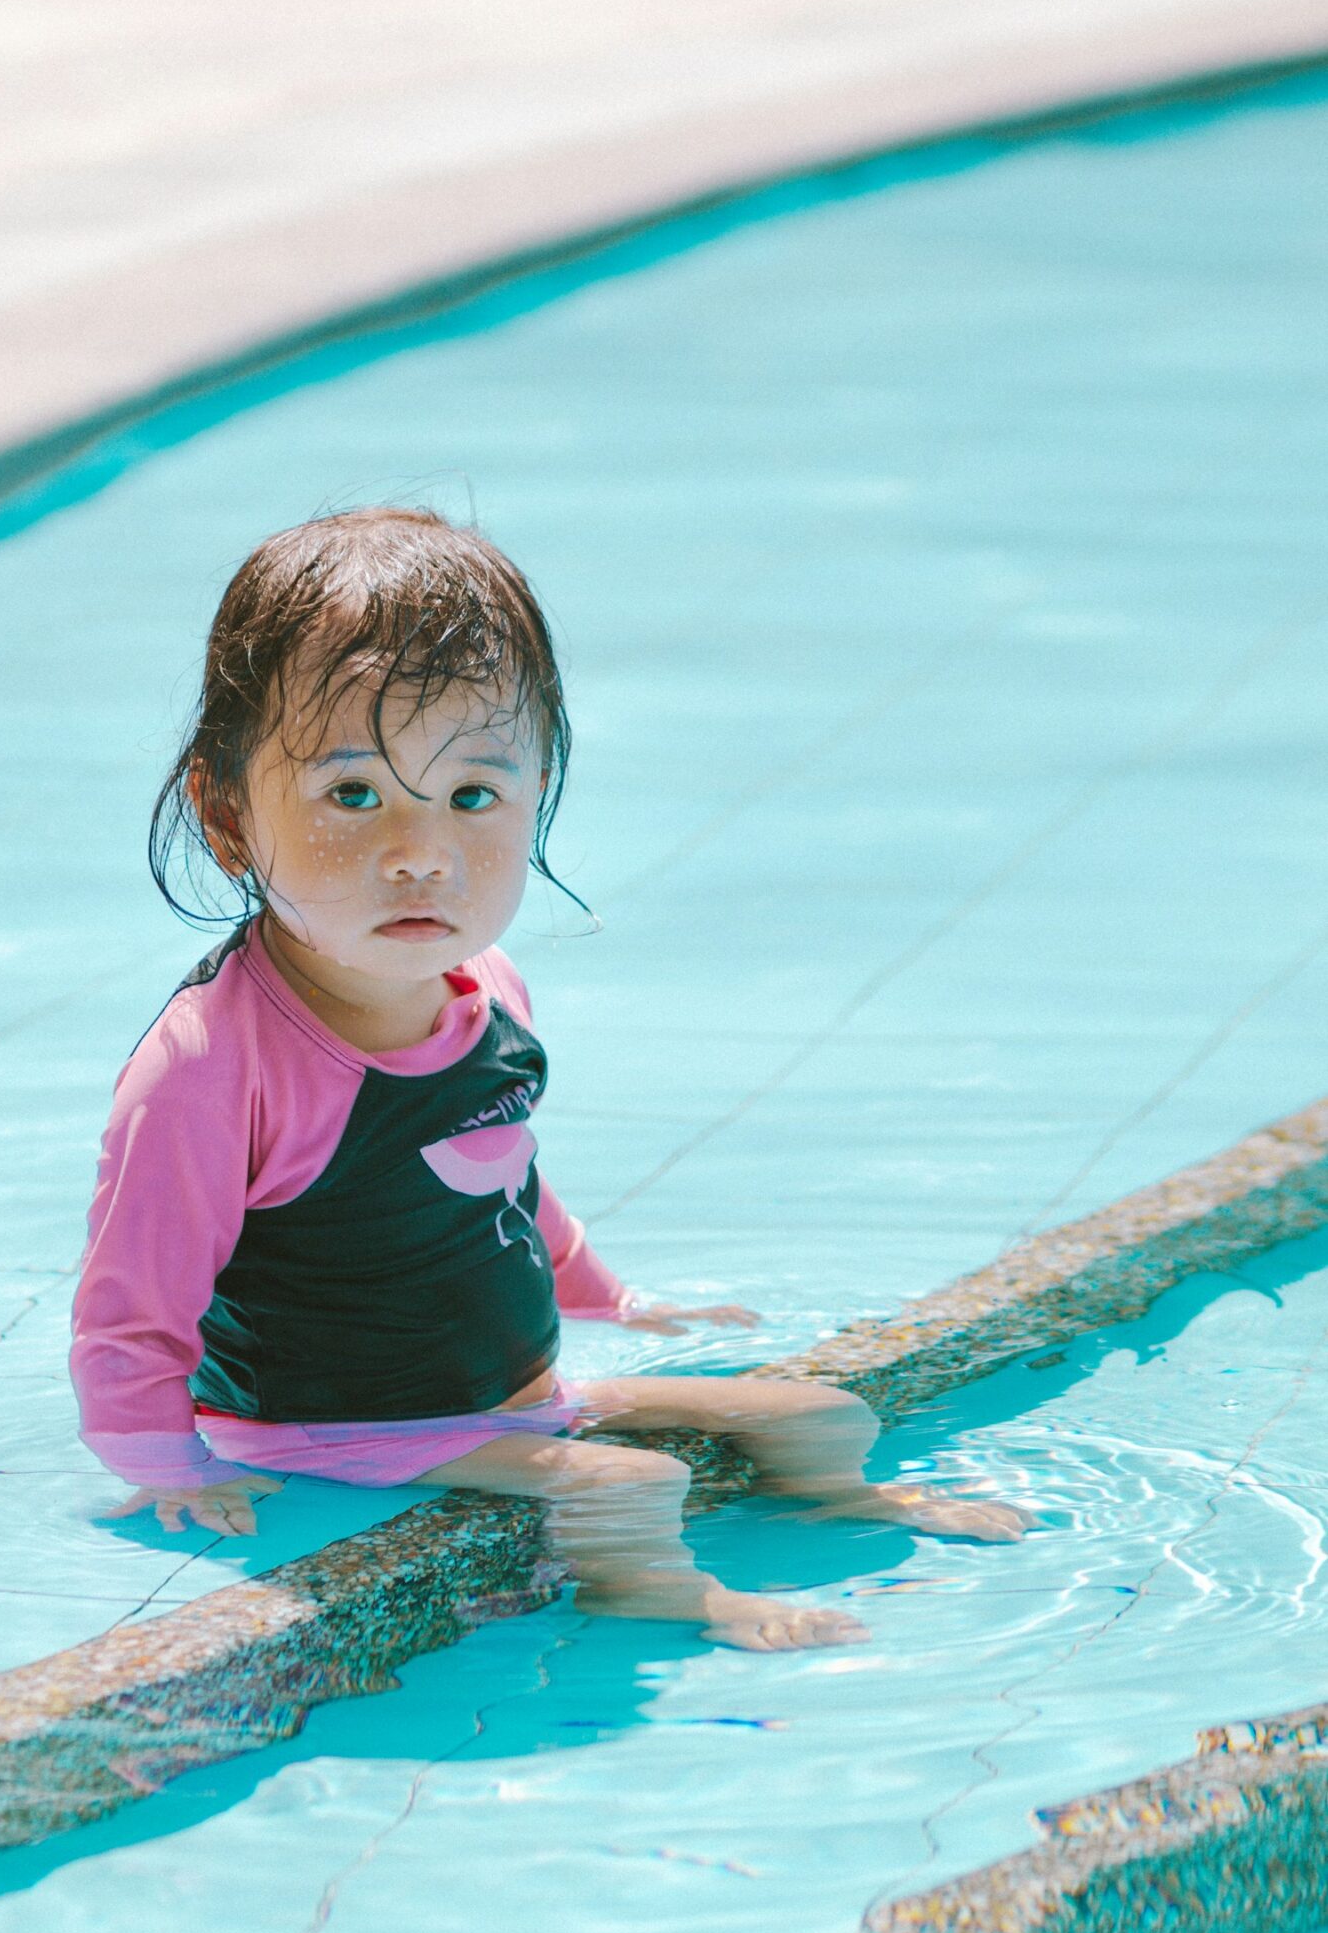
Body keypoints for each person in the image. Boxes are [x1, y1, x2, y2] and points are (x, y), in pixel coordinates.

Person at [71, 507, 1026, 1651]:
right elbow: (128, 1314)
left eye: (472, 796)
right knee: (627, 1488)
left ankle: (853, 1500)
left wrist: (608, 1296)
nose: (420, 849)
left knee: (824, 1413)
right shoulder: (210, 1068)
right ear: (230, 817)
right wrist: (167, 1466)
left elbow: (499, 1170)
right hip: (338, 1429)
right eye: (354, 794)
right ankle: (674, 1602)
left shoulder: (487, 984)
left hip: (507, 1393)